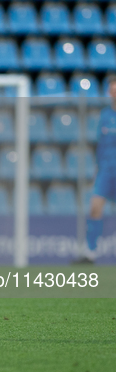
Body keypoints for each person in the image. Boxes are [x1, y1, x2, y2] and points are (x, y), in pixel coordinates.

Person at [74, 76, 116, 264]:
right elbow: (101, 145)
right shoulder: (105, 115)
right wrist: (97, 170)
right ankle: (90, 254)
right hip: (106, 171)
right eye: (112, 89)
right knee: (95, 208)